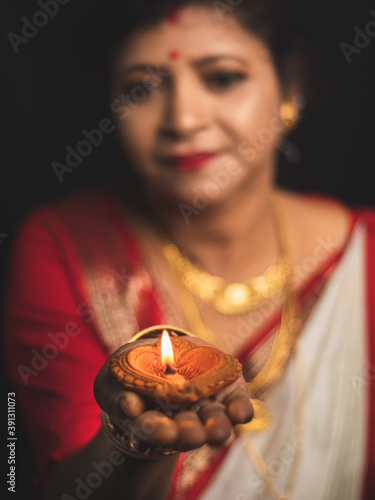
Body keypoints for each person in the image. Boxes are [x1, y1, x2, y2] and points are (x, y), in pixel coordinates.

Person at [4, 0, 375, 499]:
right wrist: (131, 443)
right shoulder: (63, 246)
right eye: (142, 88)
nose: (183, 118)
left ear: (290, 91)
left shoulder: (364, 256)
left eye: (222, 78)